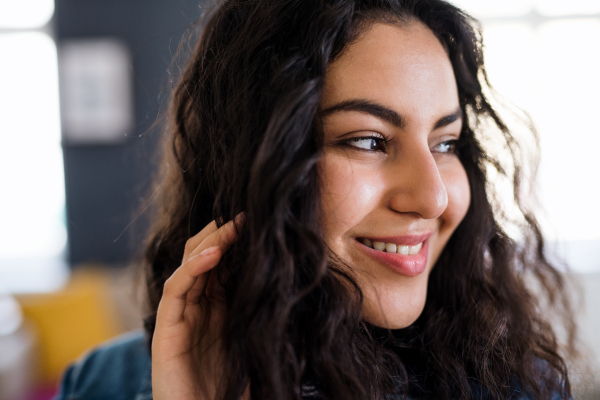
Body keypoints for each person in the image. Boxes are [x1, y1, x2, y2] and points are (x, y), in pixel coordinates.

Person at [54, 0, 578, 399]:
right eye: (369, 141)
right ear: (253, 160)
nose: (433, 198)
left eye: (446, 144)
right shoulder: (102, 383)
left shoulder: (513, 384)